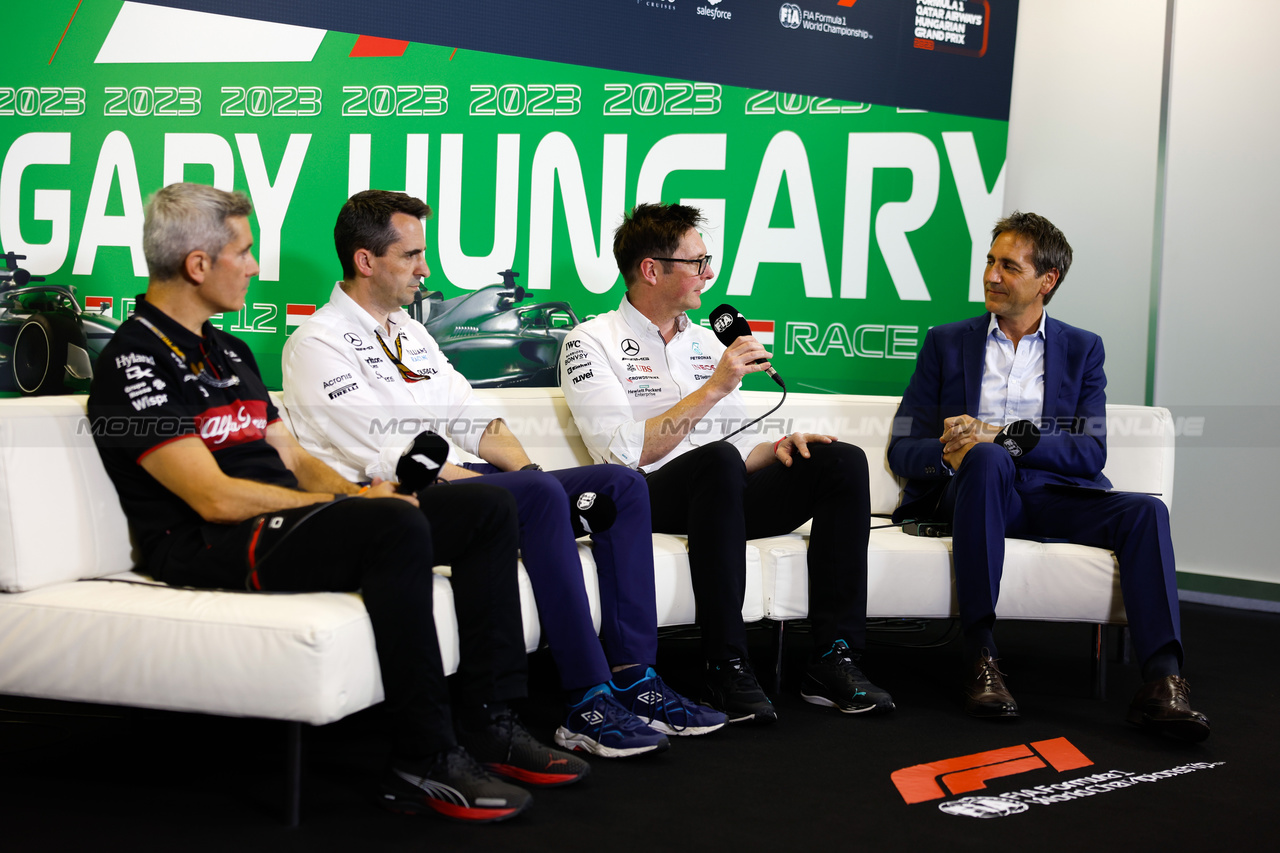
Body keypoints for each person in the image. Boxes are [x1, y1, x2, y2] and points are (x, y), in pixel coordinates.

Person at [87, 183, 589, 825]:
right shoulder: (135, 360)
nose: (253, 266)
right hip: (207, 541)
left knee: (486, 508)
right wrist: (354, 509)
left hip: (278, 521)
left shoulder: (229, 352)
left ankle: (490, 721)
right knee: (391, 527)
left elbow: (293, 457)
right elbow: (211, 498)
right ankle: (422, 758)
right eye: (243, 252)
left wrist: (357, 494)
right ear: (198, 265)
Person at [281, 190, 725, 758]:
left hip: (466, 483)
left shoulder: (411, 334)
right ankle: (585, 700)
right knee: (539, 494)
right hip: (394, 503)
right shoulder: (316, 343)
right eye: (412, 256)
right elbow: (387, 455)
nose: (426, 269)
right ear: (366, 261)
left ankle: (635, 678)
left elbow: (474, 418)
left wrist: (530, 473)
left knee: (620, 485)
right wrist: (522, 491)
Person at [559, 202, 894, 724]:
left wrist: (779, 448)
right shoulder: (590, 341)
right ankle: (725, 662)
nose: (709, 274)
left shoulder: (704, 339)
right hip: (647, 496)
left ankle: (834, 657)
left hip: (722, 492)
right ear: (652, 269)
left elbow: (738, 445)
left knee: (838, 461)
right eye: (697, 262)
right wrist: (715, 387)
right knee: (715, 463)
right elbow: (620, 454)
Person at [886, 210, 1210, 742]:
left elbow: (1088, 451)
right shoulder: (947, 343)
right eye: (990, 262)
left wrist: (1003, 435)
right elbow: (903, 446)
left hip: (1053, 497)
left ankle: (1162, 683)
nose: (991, 275)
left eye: (1008, 266)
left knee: (1146, 512)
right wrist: (956, 453)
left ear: (1047, 281)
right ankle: (981, 659)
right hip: (971, 493)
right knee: (987, 462)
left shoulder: (1083, 349)